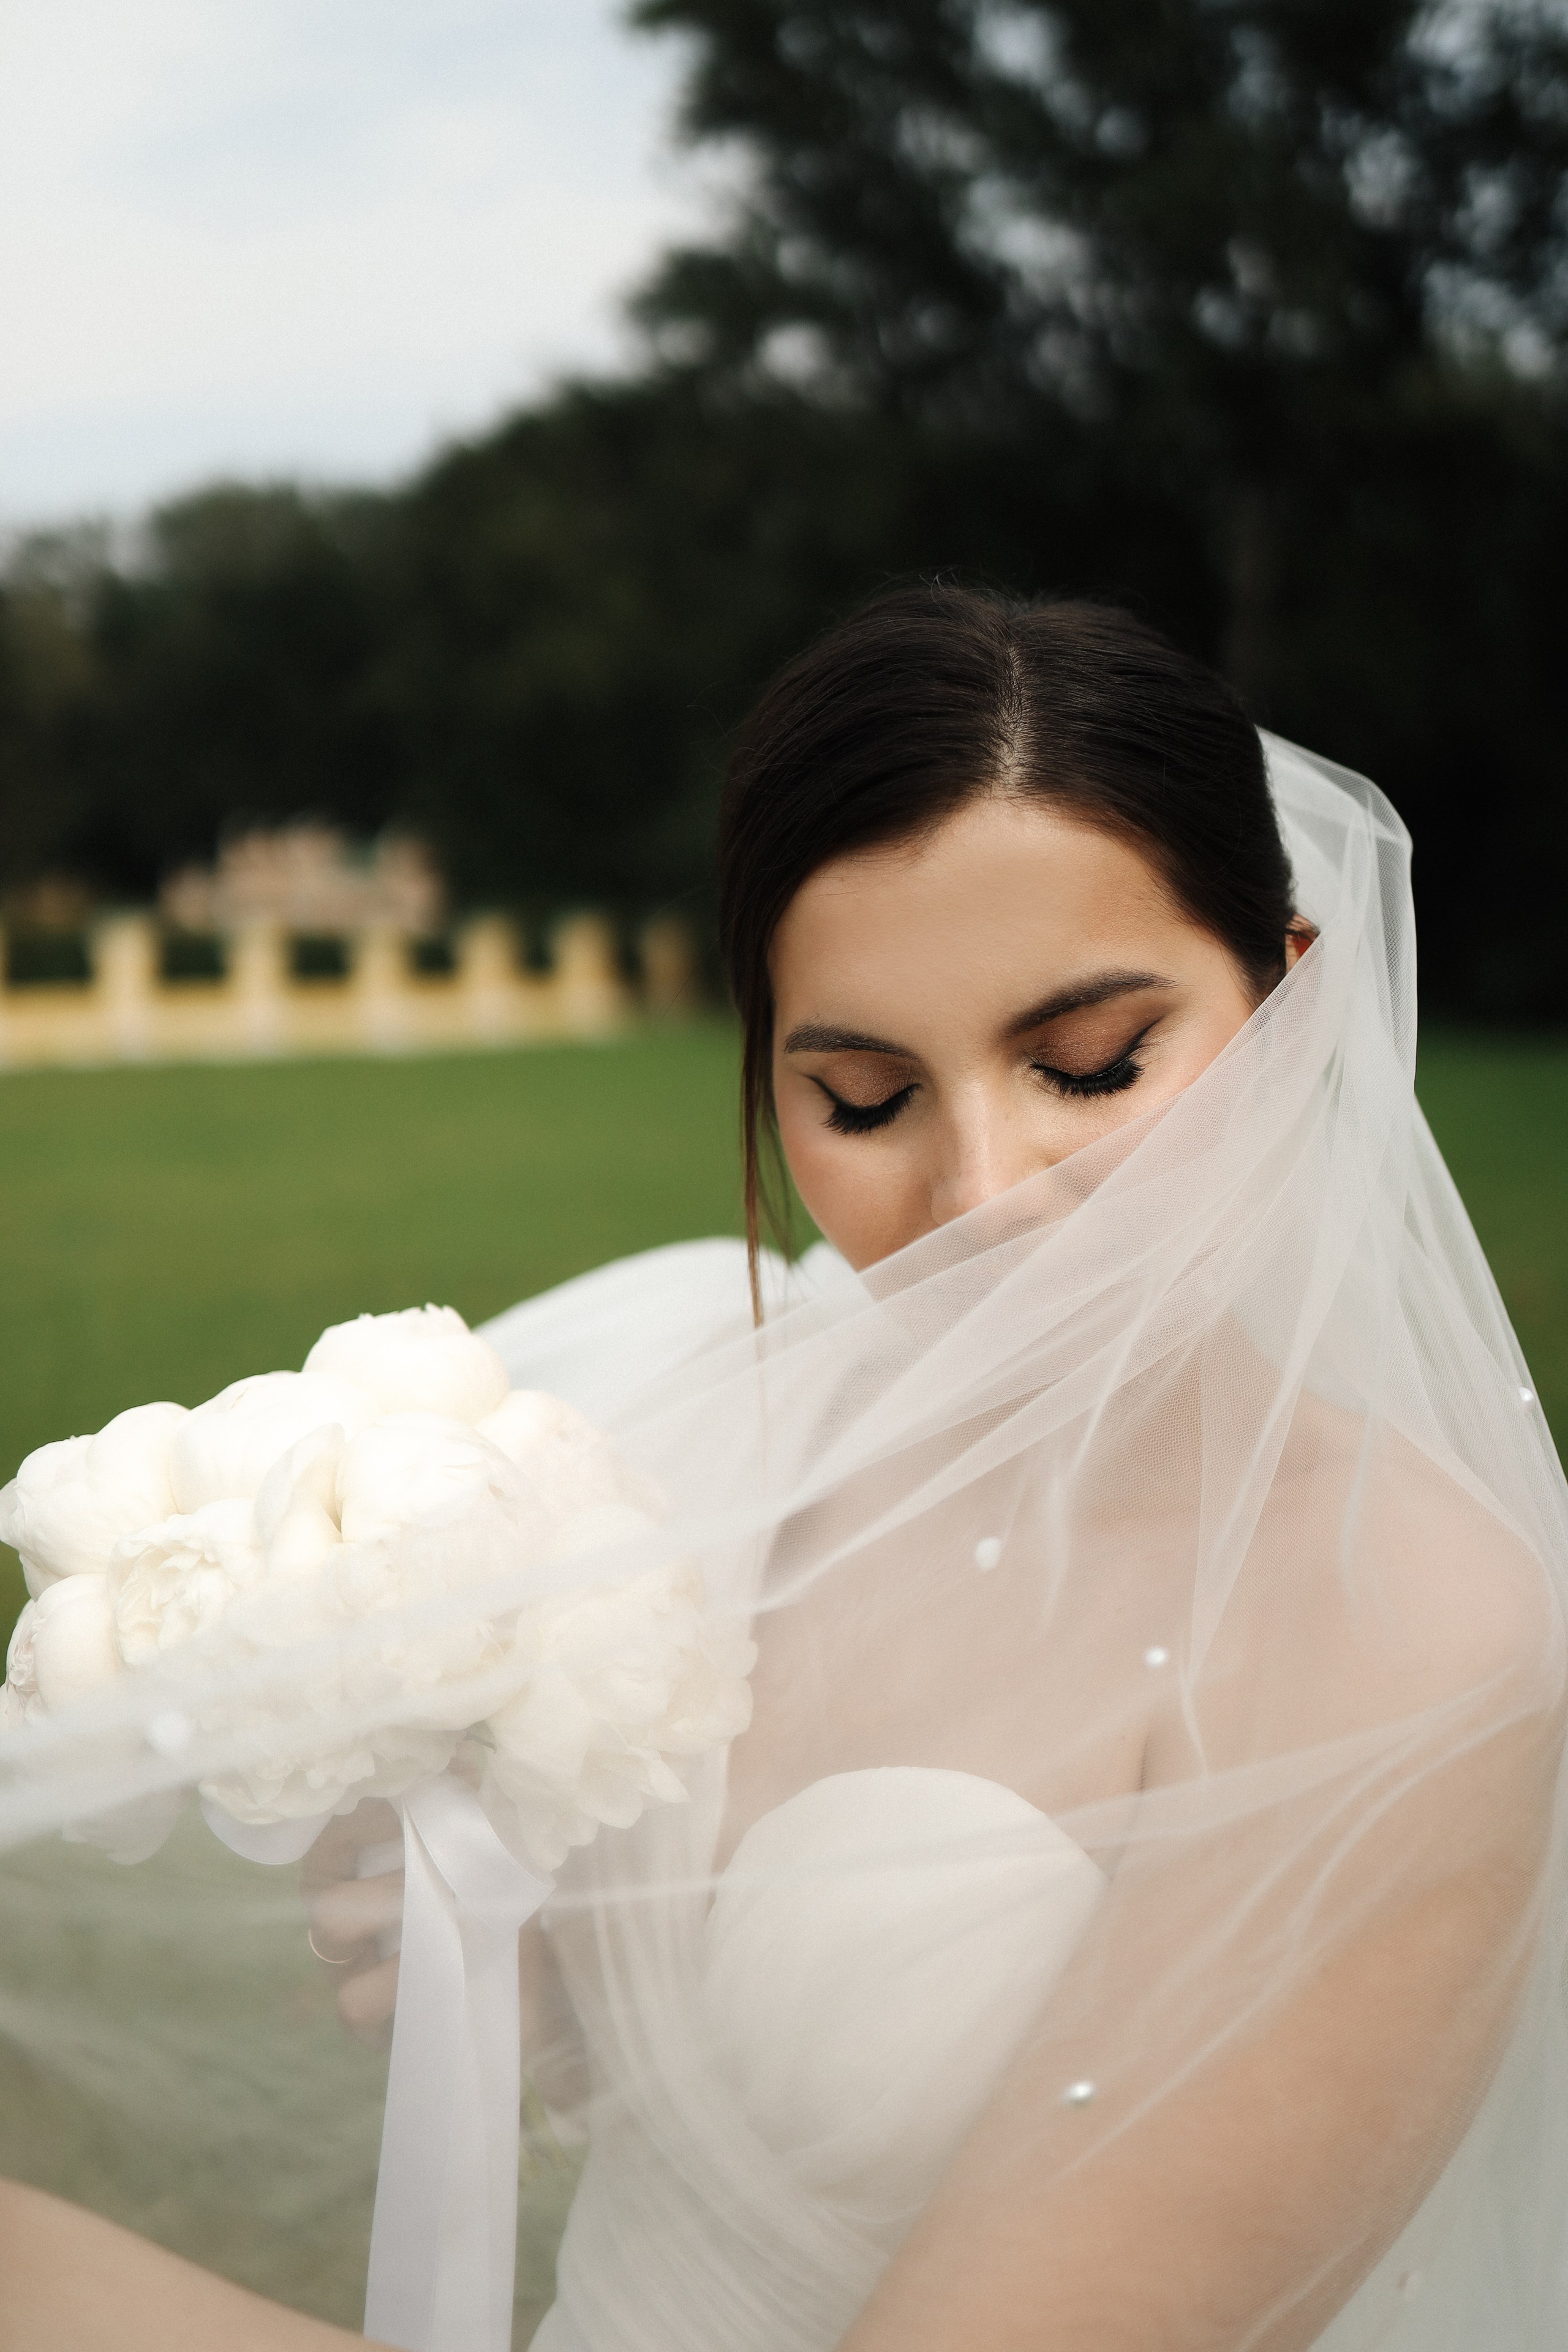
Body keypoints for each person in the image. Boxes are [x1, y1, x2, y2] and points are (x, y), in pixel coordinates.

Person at [0, 584, 1562, 2351]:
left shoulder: (1410, 1627)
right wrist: (527, 1963)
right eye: (867, 1100)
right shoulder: (714, 1407)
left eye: (1090, 1065)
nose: (986, 1194)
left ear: (1292, 1003)